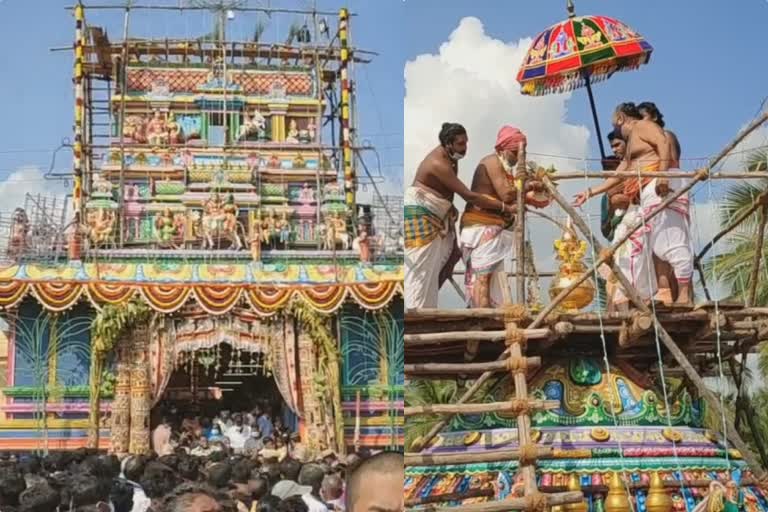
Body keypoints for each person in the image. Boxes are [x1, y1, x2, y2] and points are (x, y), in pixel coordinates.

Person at [574, 102, 692, 308]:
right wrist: (591, 192)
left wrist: (662, 177)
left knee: (671, 240)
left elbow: (663, 143)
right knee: (645, 248)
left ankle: (684, 296)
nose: (615, 130)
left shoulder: (642, 126)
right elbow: (620, 174)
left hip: (660, 185)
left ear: (620, 119)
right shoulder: (631, 144)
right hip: (648, 192)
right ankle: (645, 297)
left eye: (614, 124)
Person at [405, 122, 515, 309]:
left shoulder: (451, 159)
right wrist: (504, 206)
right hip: (423, 215)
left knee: (451, 255)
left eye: (466, 143)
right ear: (448, 144)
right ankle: (415, 313)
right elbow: (468, 195)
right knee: (421, 269)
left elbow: (447, 191)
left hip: (442, 215)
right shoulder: (437, 162)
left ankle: (427, 308)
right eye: (461, 144)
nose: (465, 149)